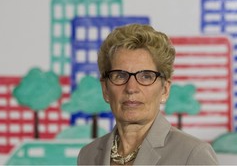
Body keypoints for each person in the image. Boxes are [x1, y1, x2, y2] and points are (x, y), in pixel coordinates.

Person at [78, 24, 219, 165]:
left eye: (146, 76)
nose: (131, 88)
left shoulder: (193, 154)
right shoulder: (88, 155)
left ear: (165, 89)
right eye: (120, 76)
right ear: (105, 89)